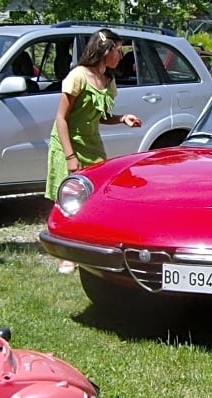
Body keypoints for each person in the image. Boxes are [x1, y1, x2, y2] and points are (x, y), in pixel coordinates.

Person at [46, 28, 142, 273]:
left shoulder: (107, 80)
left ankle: (90, 243)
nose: (121, 56)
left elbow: (102, 116)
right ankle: (68, 254)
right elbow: (60, 118)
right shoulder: (78, 76)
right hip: (68, 143)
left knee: (97, 194)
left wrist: (122, 119)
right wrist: (69, 156)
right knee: (70, 198)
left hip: (91, 143)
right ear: (106, 50)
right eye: (119, 51)